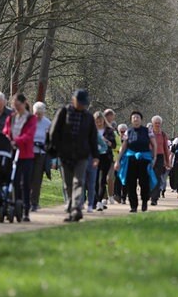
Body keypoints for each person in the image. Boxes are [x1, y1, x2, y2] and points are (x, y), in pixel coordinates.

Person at [48, 89, 99, 221]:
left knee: (79, 181)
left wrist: (95, 156)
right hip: (65, 154)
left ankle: (76, 207)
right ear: (73, 100)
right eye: (80, 103)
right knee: (68, 183)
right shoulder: (63, 112)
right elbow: (53, 131)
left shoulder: (88, 117)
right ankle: (71, 204)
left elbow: (93, 137)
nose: (82, 106)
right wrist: (54, 149)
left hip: (82, 155)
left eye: (84, 103)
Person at [3, 93, 37, 222]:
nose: (16, 108)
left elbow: (29, 134)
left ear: (24, 104)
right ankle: (16, 207)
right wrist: (7, 139)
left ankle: (26, 209)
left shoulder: (31, 118)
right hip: (12, 153)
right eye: (14, 106)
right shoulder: (11, 118)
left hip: (25, 154)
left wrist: (16, 141)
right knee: (14, 181)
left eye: (18, 105)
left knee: (25, 183)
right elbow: (6, 131)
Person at [115, 111, 157, 213]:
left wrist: (154, 158)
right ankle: (133, 206)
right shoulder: (128, 132)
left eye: (137, 117)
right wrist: (118, 160)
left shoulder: (148, 131)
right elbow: (123, 147)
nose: (135, 119)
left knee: (144, 183)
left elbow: (154, 145)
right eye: (133, 118)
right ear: (131, 120)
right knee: (131, 183)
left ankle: (144, 203)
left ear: (141, 119)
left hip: (144, 159)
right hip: (131, 160)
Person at [30, 101, 51, 212]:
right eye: (36, 113)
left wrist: (45, 145)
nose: (37, 116)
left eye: (40, 113)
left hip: (41, 153)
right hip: (29, 152)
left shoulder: (47, 123)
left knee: (37, 179)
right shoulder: (29, 121)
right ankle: (26, 201)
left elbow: (50, 139)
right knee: (27, 177)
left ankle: (34, 202)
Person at [94, 111, 116, 211]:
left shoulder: (109, 130)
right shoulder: (91, 131)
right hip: (95, 157)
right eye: (97, 121)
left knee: (102, 180)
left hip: (105, 157)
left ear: (104, 120)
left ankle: (99, 202)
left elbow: (114, 145)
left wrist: (106, 140)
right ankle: (95, 201)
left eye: (100, 121)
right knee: (94, 180)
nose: (99, 123)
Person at [150, 115, 170, 205]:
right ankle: (151, 194)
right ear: (152, 123)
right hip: (150, 156)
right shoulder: (149, 133)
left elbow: (166, 148)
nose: (157, 124)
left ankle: (154, 198)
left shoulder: (163, 134)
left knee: (157, 177)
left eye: (159, 123)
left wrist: (167, 162)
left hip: (160, 157)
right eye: (155, 123)